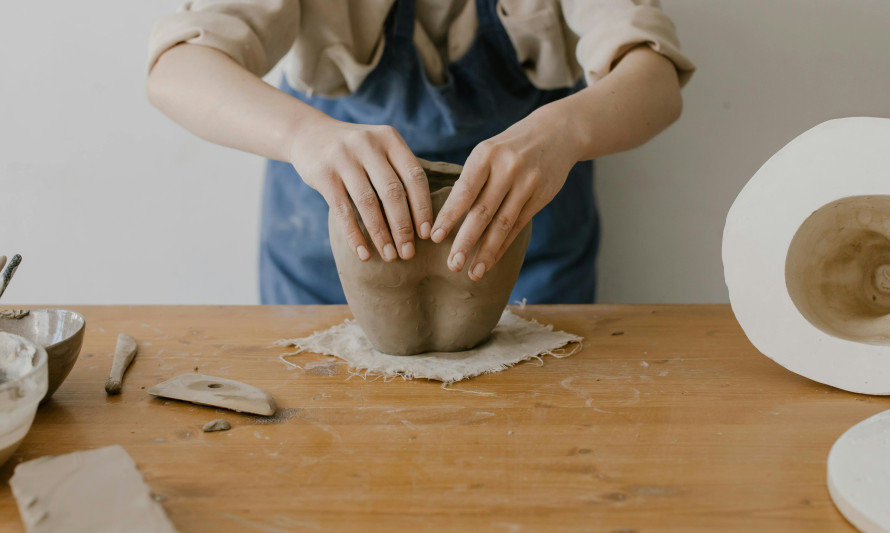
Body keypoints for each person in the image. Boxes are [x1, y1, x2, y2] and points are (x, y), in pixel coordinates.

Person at [147, 0, 694, 305]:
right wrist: (304, 137)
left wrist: (568, 128)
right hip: (325, 259)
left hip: (528, 250)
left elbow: (655, 77)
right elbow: (178, 68)